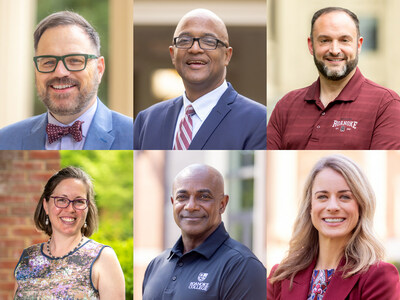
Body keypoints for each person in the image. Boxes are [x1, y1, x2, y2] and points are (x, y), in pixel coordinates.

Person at [267, 155, 400, 299]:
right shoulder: (280, 277)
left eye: (344, 197)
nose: (332, 207)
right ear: (310, 207)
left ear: (360, 206)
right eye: (322, 196)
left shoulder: (378, 277)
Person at [267, 7, 400, 150]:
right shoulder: (286, 105)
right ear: (311, 45)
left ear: (358, 45)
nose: (335, 50)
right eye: (325, 40)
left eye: (344, 40)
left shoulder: (386, 104)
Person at [134, 9, 266, 150]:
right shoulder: (147, 120)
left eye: (209, 41)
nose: (195, 49)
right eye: (184, 40)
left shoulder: (259, 121)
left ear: (227, 55)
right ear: (173, 54)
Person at [0, 11, 133, 150]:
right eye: (49, 62)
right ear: (36, 70)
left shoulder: (138, 137)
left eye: (75, 60)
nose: (60, 72)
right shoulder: (5, 140)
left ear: (99, 69)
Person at [142, 164, 266, 299]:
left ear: (222, 204)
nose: (190, 206)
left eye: (203, 197)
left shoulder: (243, 266)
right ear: (173, 202)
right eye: (182, 197)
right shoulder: (156, 265)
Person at [14, 166, 125, 299]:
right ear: (46, 205)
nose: (70, 209)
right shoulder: (28, 258)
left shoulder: (103, 258)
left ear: (87, 208)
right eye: (61, 200)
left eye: (79, 201)